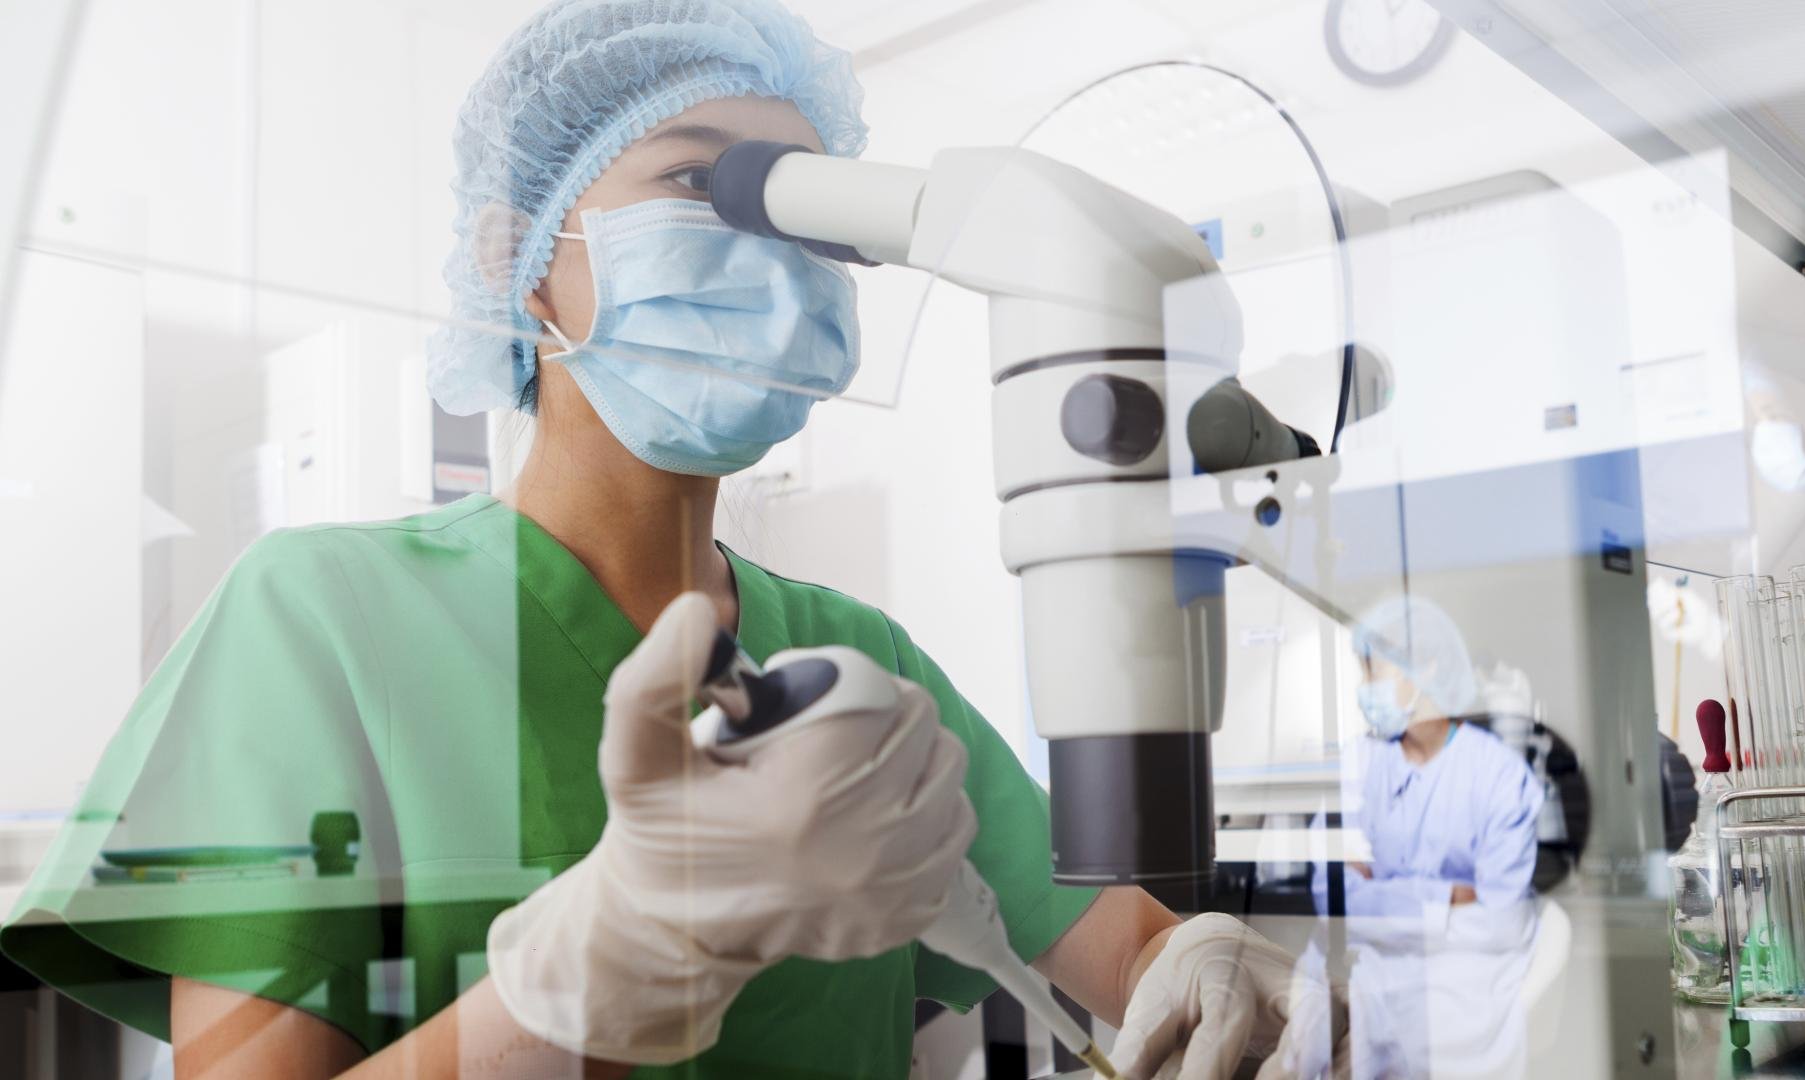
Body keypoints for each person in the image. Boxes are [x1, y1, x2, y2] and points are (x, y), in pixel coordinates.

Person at [1, 2, 1305, 1077]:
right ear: (522, 260)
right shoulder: (317, 619)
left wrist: (1199, 968)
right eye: (702, 179)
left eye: (803, 208)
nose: (766, 242)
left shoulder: (862, 660)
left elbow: (1120, 951)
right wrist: (616, 959)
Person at [1276, 594, 1544, 1079]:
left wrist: (1380, 891)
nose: (1364, 689)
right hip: (1349, 980)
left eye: (1372, 671)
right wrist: (1447, 899)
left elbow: (1500, 923)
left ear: (1423, 668)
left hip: (1455, 997)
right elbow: (1332, 895)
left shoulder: (1499, 776)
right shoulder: (1359, 763)